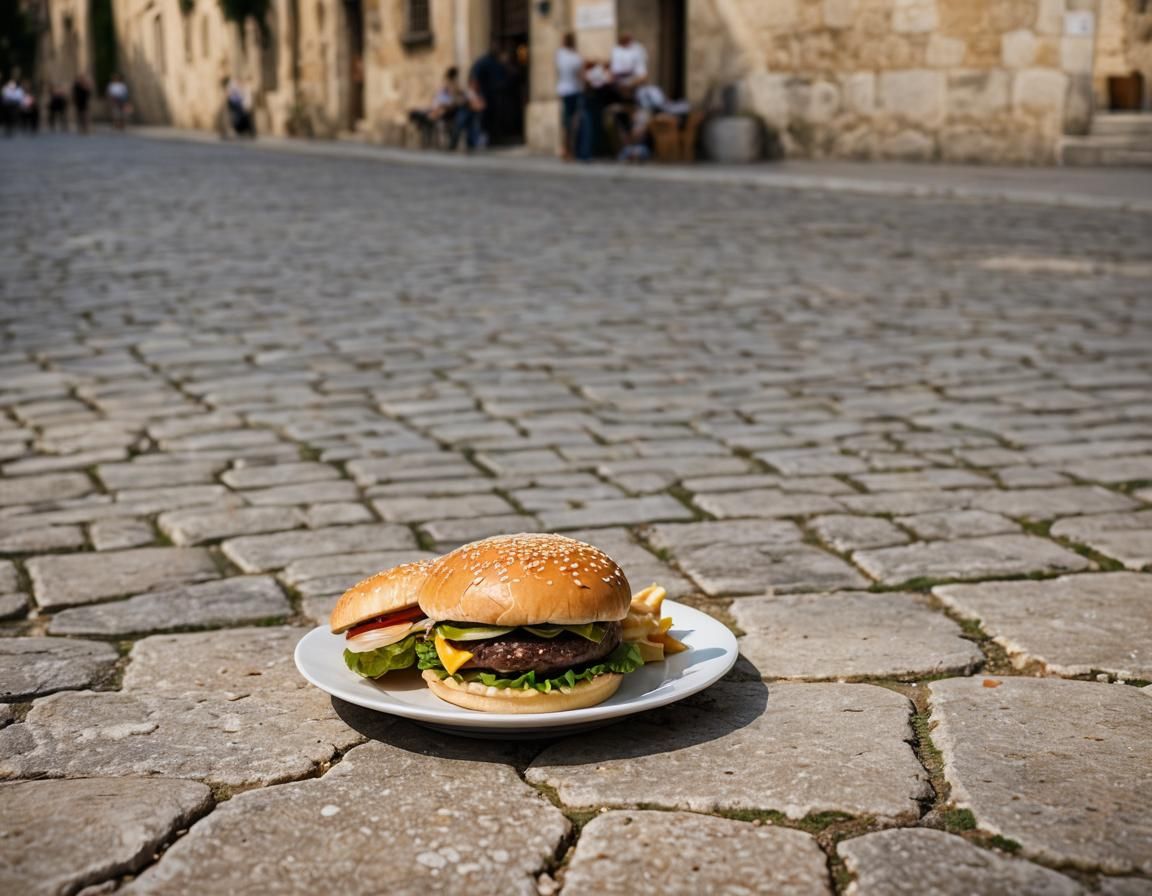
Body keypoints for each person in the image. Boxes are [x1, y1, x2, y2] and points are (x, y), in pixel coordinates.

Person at [555, 33, 583, 159]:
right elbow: (580, 75)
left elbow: (557, 71)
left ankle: (565, 149)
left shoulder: (560, 54)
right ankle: (571, 150)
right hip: (574, 91)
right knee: (573, 123)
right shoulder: (575, 57)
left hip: (563, 91)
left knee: (566, 123)